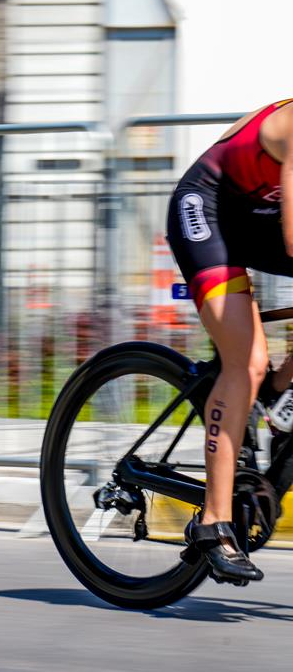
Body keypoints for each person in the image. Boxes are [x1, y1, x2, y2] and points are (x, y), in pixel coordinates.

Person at [167, 98, 293, 584]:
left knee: (263, 373)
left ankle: (279, 393)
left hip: (256, 216)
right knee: (247, 360)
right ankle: (213, 522)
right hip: (207, 209)